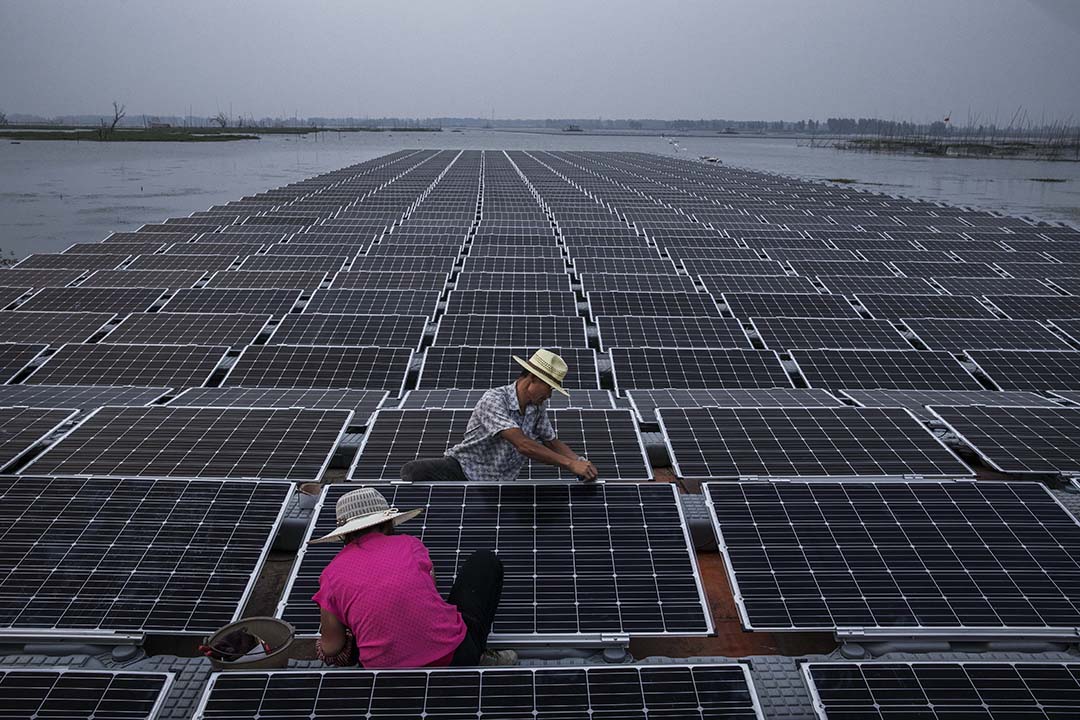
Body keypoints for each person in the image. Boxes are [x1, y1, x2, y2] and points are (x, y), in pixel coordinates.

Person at [311, 487, 514, 668]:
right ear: (387, 522)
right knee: (484, 562)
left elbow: (331, 647)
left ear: (343, 534)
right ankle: (480, 656)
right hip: (456, 656)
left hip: (382, 675)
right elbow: (429, 595)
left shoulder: (331, 574)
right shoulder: (410, 544)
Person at [400, 349, 600, 483]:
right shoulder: (494, 400)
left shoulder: (537, 407)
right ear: (532, 378)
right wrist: (570, 464)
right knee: (413, 471)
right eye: (549, 388)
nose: (549, 395)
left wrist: (581, 462)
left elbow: (551, 441)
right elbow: (523, 445)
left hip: (499, 482)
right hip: (463, 470)